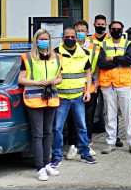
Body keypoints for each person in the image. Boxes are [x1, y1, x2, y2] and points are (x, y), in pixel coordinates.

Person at [18, 29, 62, 181]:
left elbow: (59, 77)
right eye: (41, 39)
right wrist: (37, 82)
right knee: (38, 134)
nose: (44, 41)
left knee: (48, 133)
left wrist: (56, 81)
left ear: (50, 41)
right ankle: (40, 168)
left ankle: (47, 163)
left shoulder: (56, 57)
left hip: (51, 98)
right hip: (34, 99)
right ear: (36, 41)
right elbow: (21, 79)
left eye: (46, 38)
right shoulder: (28, 57)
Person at [50, 28, 97, 168]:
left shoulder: (83, 53)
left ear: (76, 38)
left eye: (72, 36)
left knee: (82, 126)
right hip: (61, 96)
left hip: (78, 96)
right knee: (57, 128)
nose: (69, 39)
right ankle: (56, 156)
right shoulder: (55, 53)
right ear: (62, 38)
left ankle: (84, 154)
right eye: (67, 36)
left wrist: (88, 90)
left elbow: (87, 73)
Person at [96, 20, 131, 155]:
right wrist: (119, 62)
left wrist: (112, 59)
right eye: (113, 29)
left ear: (122, 31)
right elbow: (101, 63)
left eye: (118, 29)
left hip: (124, 83)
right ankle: (110, 142)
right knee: (110, 115)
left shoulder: (128, 44)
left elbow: (129, 60)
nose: (116, 31)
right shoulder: (103, 44)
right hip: (108, 84)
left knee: (128, 114)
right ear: (110, 30)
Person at [65, 19, 100, 159]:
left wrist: (96, 84)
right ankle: (73, 144)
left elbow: (97, 68)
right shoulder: (66, 47)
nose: (79, 33)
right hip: (72, 88)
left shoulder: (95, 48)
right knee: (73, 118)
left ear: (87, 32)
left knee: (88, 118)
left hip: (90, 87)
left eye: (82, 31)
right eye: (77, 31)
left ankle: (87, 143)